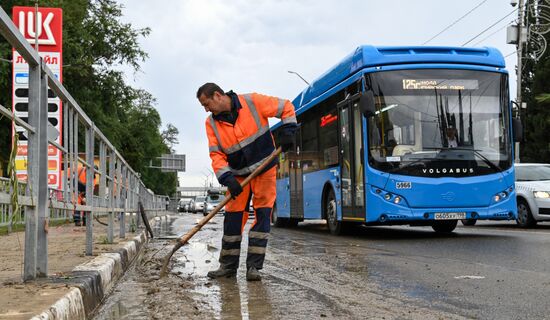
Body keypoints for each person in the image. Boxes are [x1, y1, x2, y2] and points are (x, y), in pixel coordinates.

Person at [197, 83, 297, 281]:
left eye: (206, 104)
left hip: (265, 169)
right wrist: (227, 178)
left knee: (262, 217)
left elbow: (286, 106)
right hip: (238, 175)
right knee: (233, 220)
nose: (206, 109)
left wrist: (288, 131)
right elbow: (216, 154)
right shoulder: (211, 124)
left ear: (217, 95)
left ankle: (254, 268)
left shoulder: (252, 102)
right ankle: (227, 266)